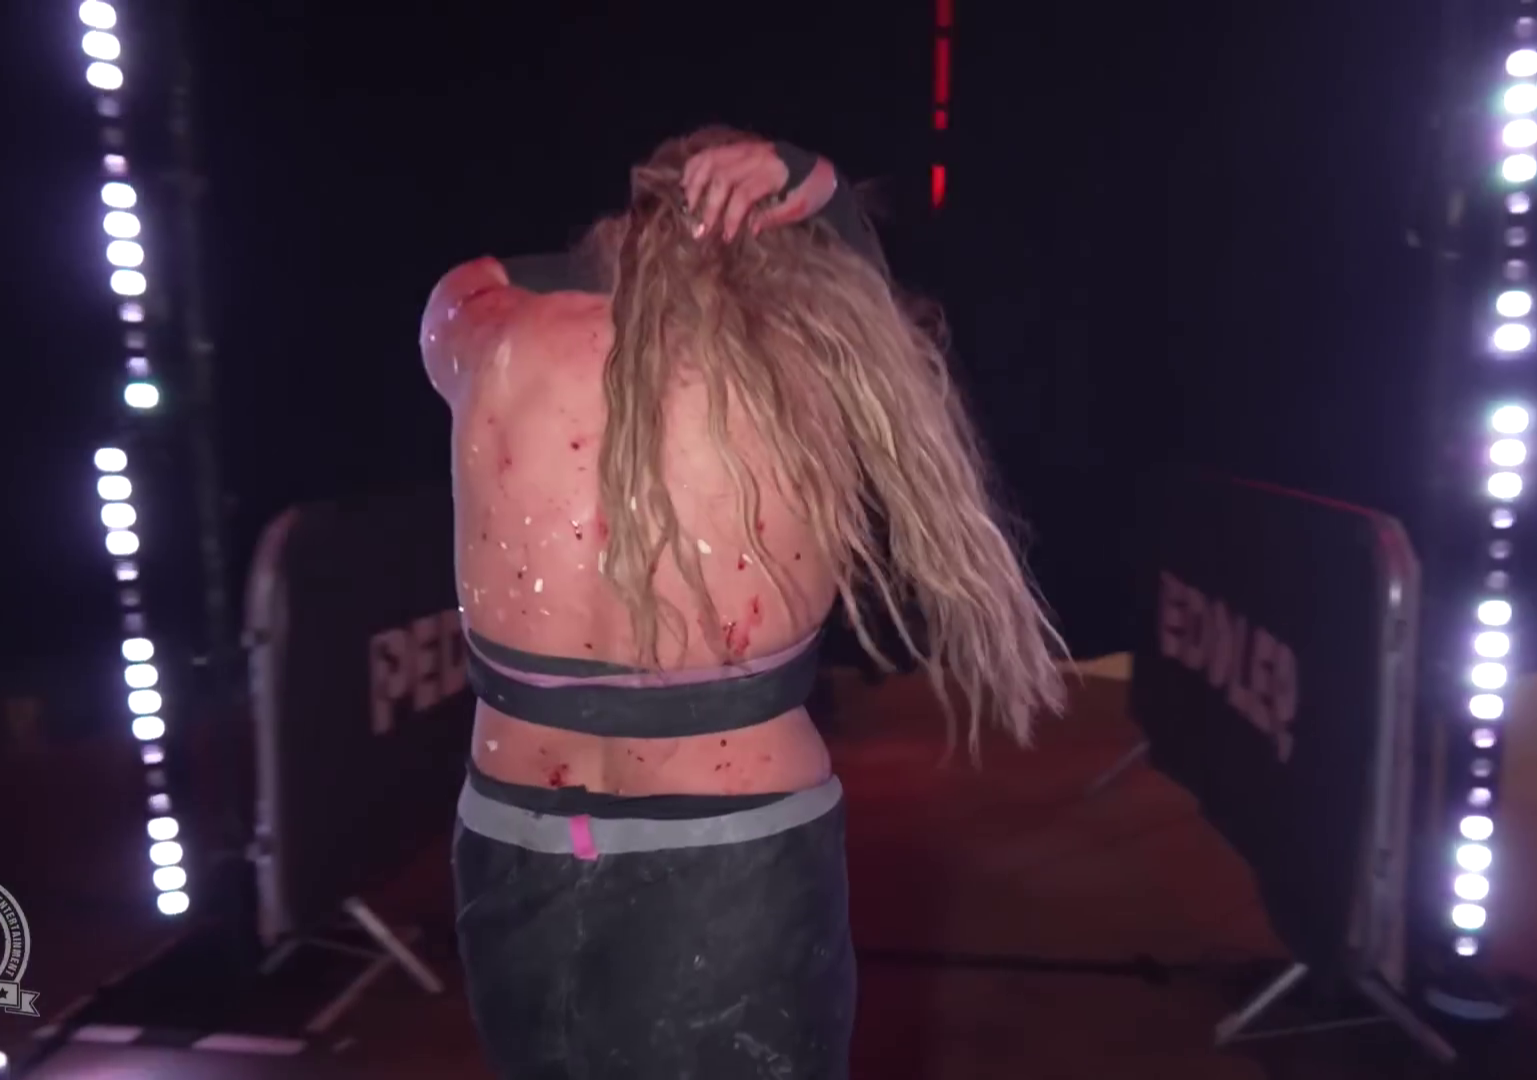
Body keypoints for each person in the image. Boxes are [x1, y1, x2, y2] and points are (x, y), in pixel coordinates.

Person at [419, 126, 1066, 1079]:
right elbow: (864, 289)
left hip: (521, 829)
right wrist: (820, 187)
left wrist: (648, 230)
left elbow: (469, 281)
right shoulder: (814, 360)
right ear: (783, 236)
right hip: (731, 845)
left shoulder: (494, 341)